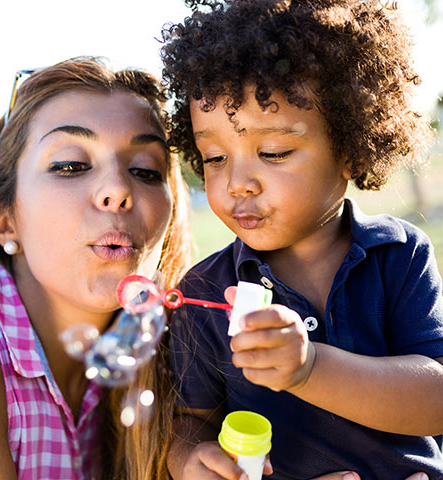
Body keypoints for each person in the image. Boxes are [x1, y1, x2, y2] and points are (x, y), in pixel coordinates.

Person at [160, 0, 443, 479]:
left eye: (273, 151)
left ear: (351, 150)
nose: (237, 183)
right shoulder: (204, 293)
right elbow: (191, 420)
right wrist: (189, 458)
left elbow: (436, 399)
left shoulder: (399, 255)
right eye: (213, 157)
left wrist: (309, 368)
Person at [0, 57, 192, 479]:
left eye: (145, 169)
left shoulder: (172, 351)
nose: (118, 190)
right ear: (6, 220)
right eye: (70, 165)